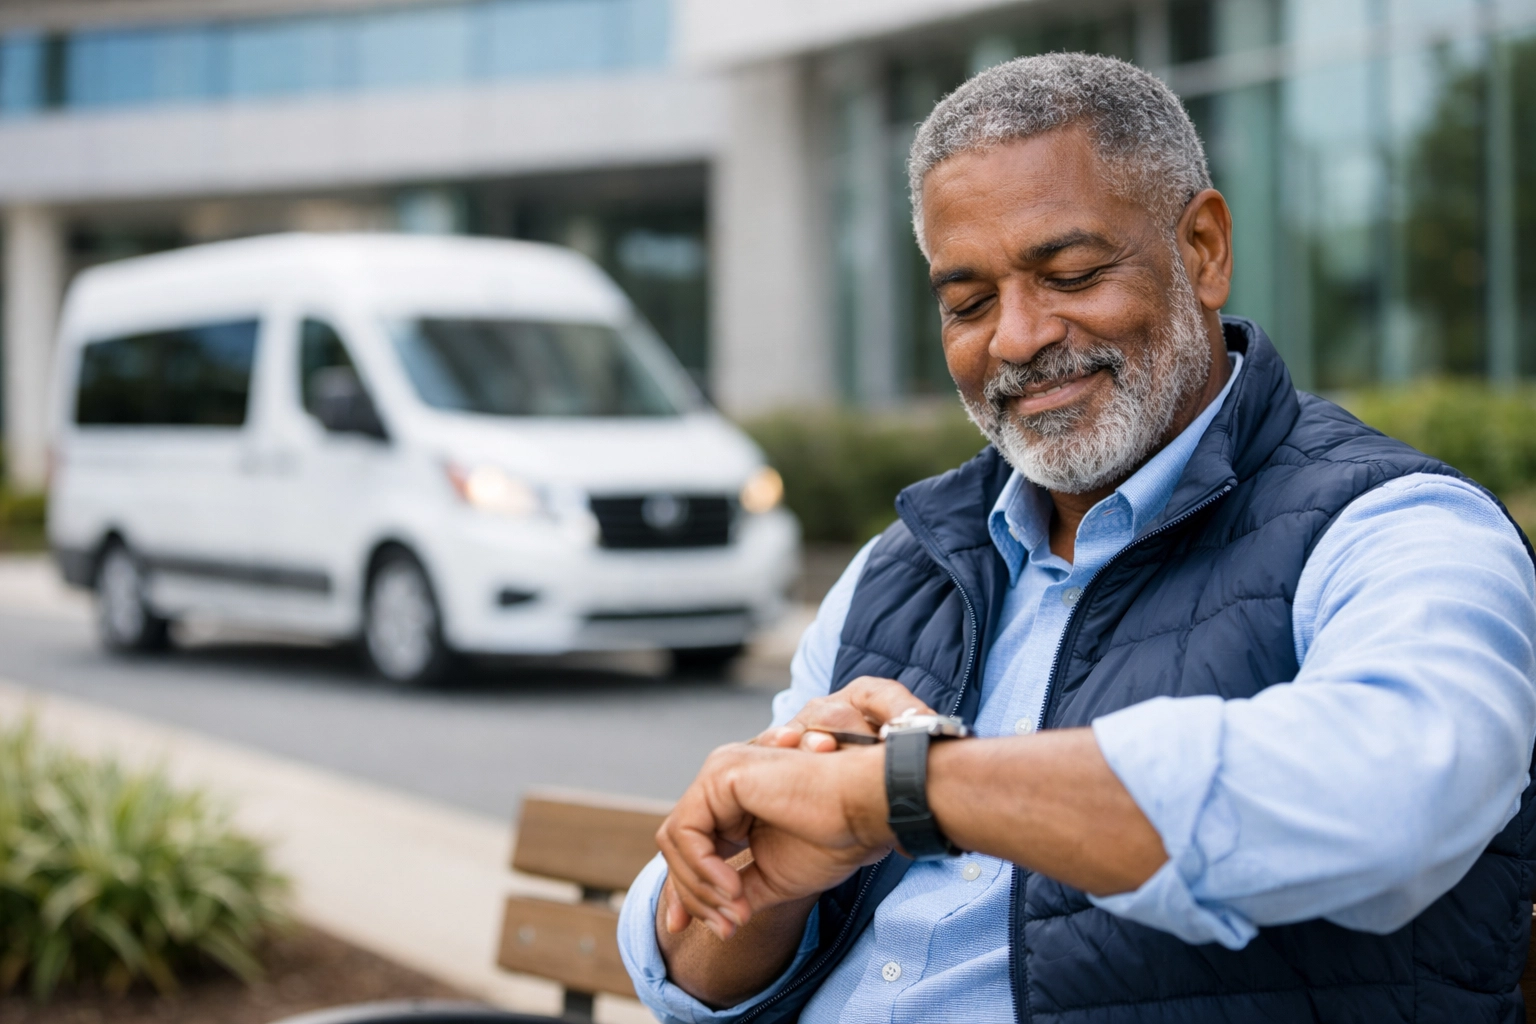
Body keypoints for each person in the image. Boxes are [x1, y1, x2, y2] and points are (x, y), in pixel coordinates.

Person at [617, 52, 1536, 1023]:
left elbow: (1391, 789)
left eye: (1072, 272)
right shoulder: (901, 566)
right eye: (967, 302)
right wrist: (761, 888)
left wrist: (897, 792)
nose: (1014, 338)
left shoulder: (1397, 526)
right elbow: (684, 971)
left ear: (1204, 248)